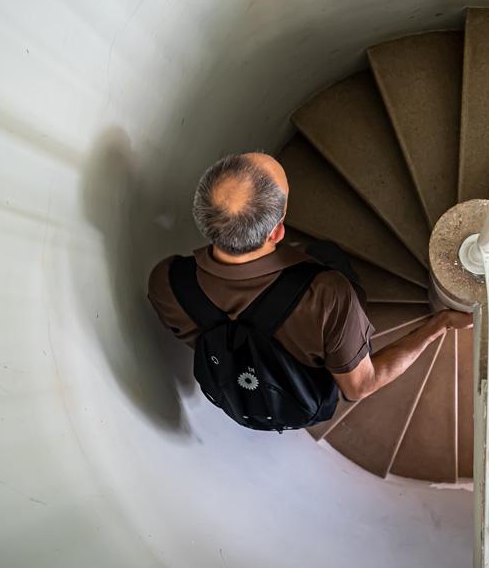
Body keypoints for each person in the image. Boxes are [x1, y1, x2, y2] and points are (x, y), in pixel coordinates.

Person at [147, 152, 471, 404]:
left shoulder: (166, 282)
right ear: (276, 232)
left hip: (247, 382)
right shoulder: (328, 297)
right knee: (327, 252)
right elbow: (360, 386)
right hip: (301, 382)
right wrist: (438, 324)